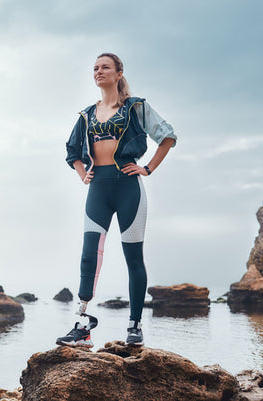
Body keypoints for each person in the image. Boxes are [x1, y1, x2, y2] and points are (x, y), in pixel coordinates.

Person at [56, 53, 177, 348]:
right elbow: (72, 151)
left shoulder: (136, 107)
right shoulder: (87, 114)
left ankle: (135, 326)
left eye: (105, 67)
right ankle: (82, 326)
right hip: (98, 190)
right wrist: (83, 174)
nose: (99, 72)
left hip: (128, 188)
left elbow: (168, 137)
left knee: (133, 258)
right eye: (95, 68)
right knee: (89, 257)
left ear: (119, 73)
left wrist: (147, 168)